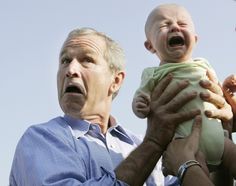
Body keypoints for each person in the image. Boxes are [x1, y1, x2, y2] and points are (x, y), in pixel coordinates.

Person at [9, 27, 233, 186]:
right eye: (65, 61)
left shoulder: (139, 145)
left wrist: (221, 135)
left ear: (116, 81)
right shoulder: (42, 139)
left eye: (86, 59)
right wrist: (154, 143)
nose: (71, 70)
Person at [132, 3, 236, 179]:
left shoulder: (203, 64)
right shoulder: (153, 74)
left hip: (221, 141)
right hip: (187, 146)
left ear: (195, 39)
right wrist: (140, 104)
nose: (174, 27)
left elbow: (218, 95)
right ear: (150, 46)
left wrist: (227, 90)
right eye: (164, 25)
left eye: (182, 24)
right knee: (196, 175)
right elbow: (141, 96)